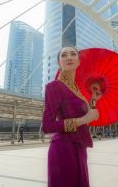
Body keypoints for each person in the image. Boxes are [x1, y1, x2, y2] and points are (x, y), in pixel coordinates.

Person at [42, 46, 100, 187]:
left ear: (78, 61)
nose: (69, 57)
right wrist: (84, 119)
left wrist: (93, 100)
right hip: (63, 149)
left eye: (73, 54)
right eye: (64, 55)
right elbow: (47, 126)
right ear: (59, 63)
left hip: (80, 148)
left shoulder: (77, 90)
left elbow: (80, 113)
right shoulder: (54, 86)